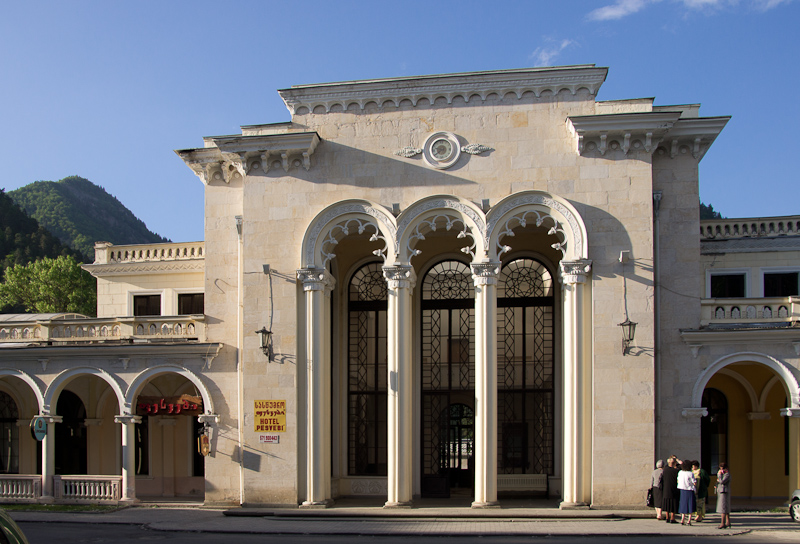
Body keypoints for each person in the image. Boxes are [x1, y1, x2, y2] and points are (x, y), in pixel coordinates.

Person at [661, 456, 680, 523]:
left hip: (666, 488)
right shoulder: (676, 471)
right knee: (673, 504)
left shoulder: (665, 470)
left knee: (667, 503)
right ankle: (672, 518)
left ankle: (667, 517)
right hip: (674, 488)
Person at [677, 460, 697, 525]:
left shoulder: (680, 472)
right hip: (689, 490)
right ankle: (689, 520)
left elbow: (678, 479)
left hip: (682, 489)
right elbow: (694, 482)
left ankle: (682, 519)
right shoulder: (690, 473)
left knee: (683, 504)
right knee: (690, 505)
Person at [716, 462, 731, 529]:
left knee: (723, 508)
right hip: (721, 491)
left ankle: (722, 523)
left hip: (724, 492)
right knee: (725, 507)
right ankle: (728, 522)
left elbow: (722, 481)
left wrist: (719, 475)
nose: (721, 470)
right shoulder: (724, 474)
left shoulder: (727, 474)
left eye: (722, 469)